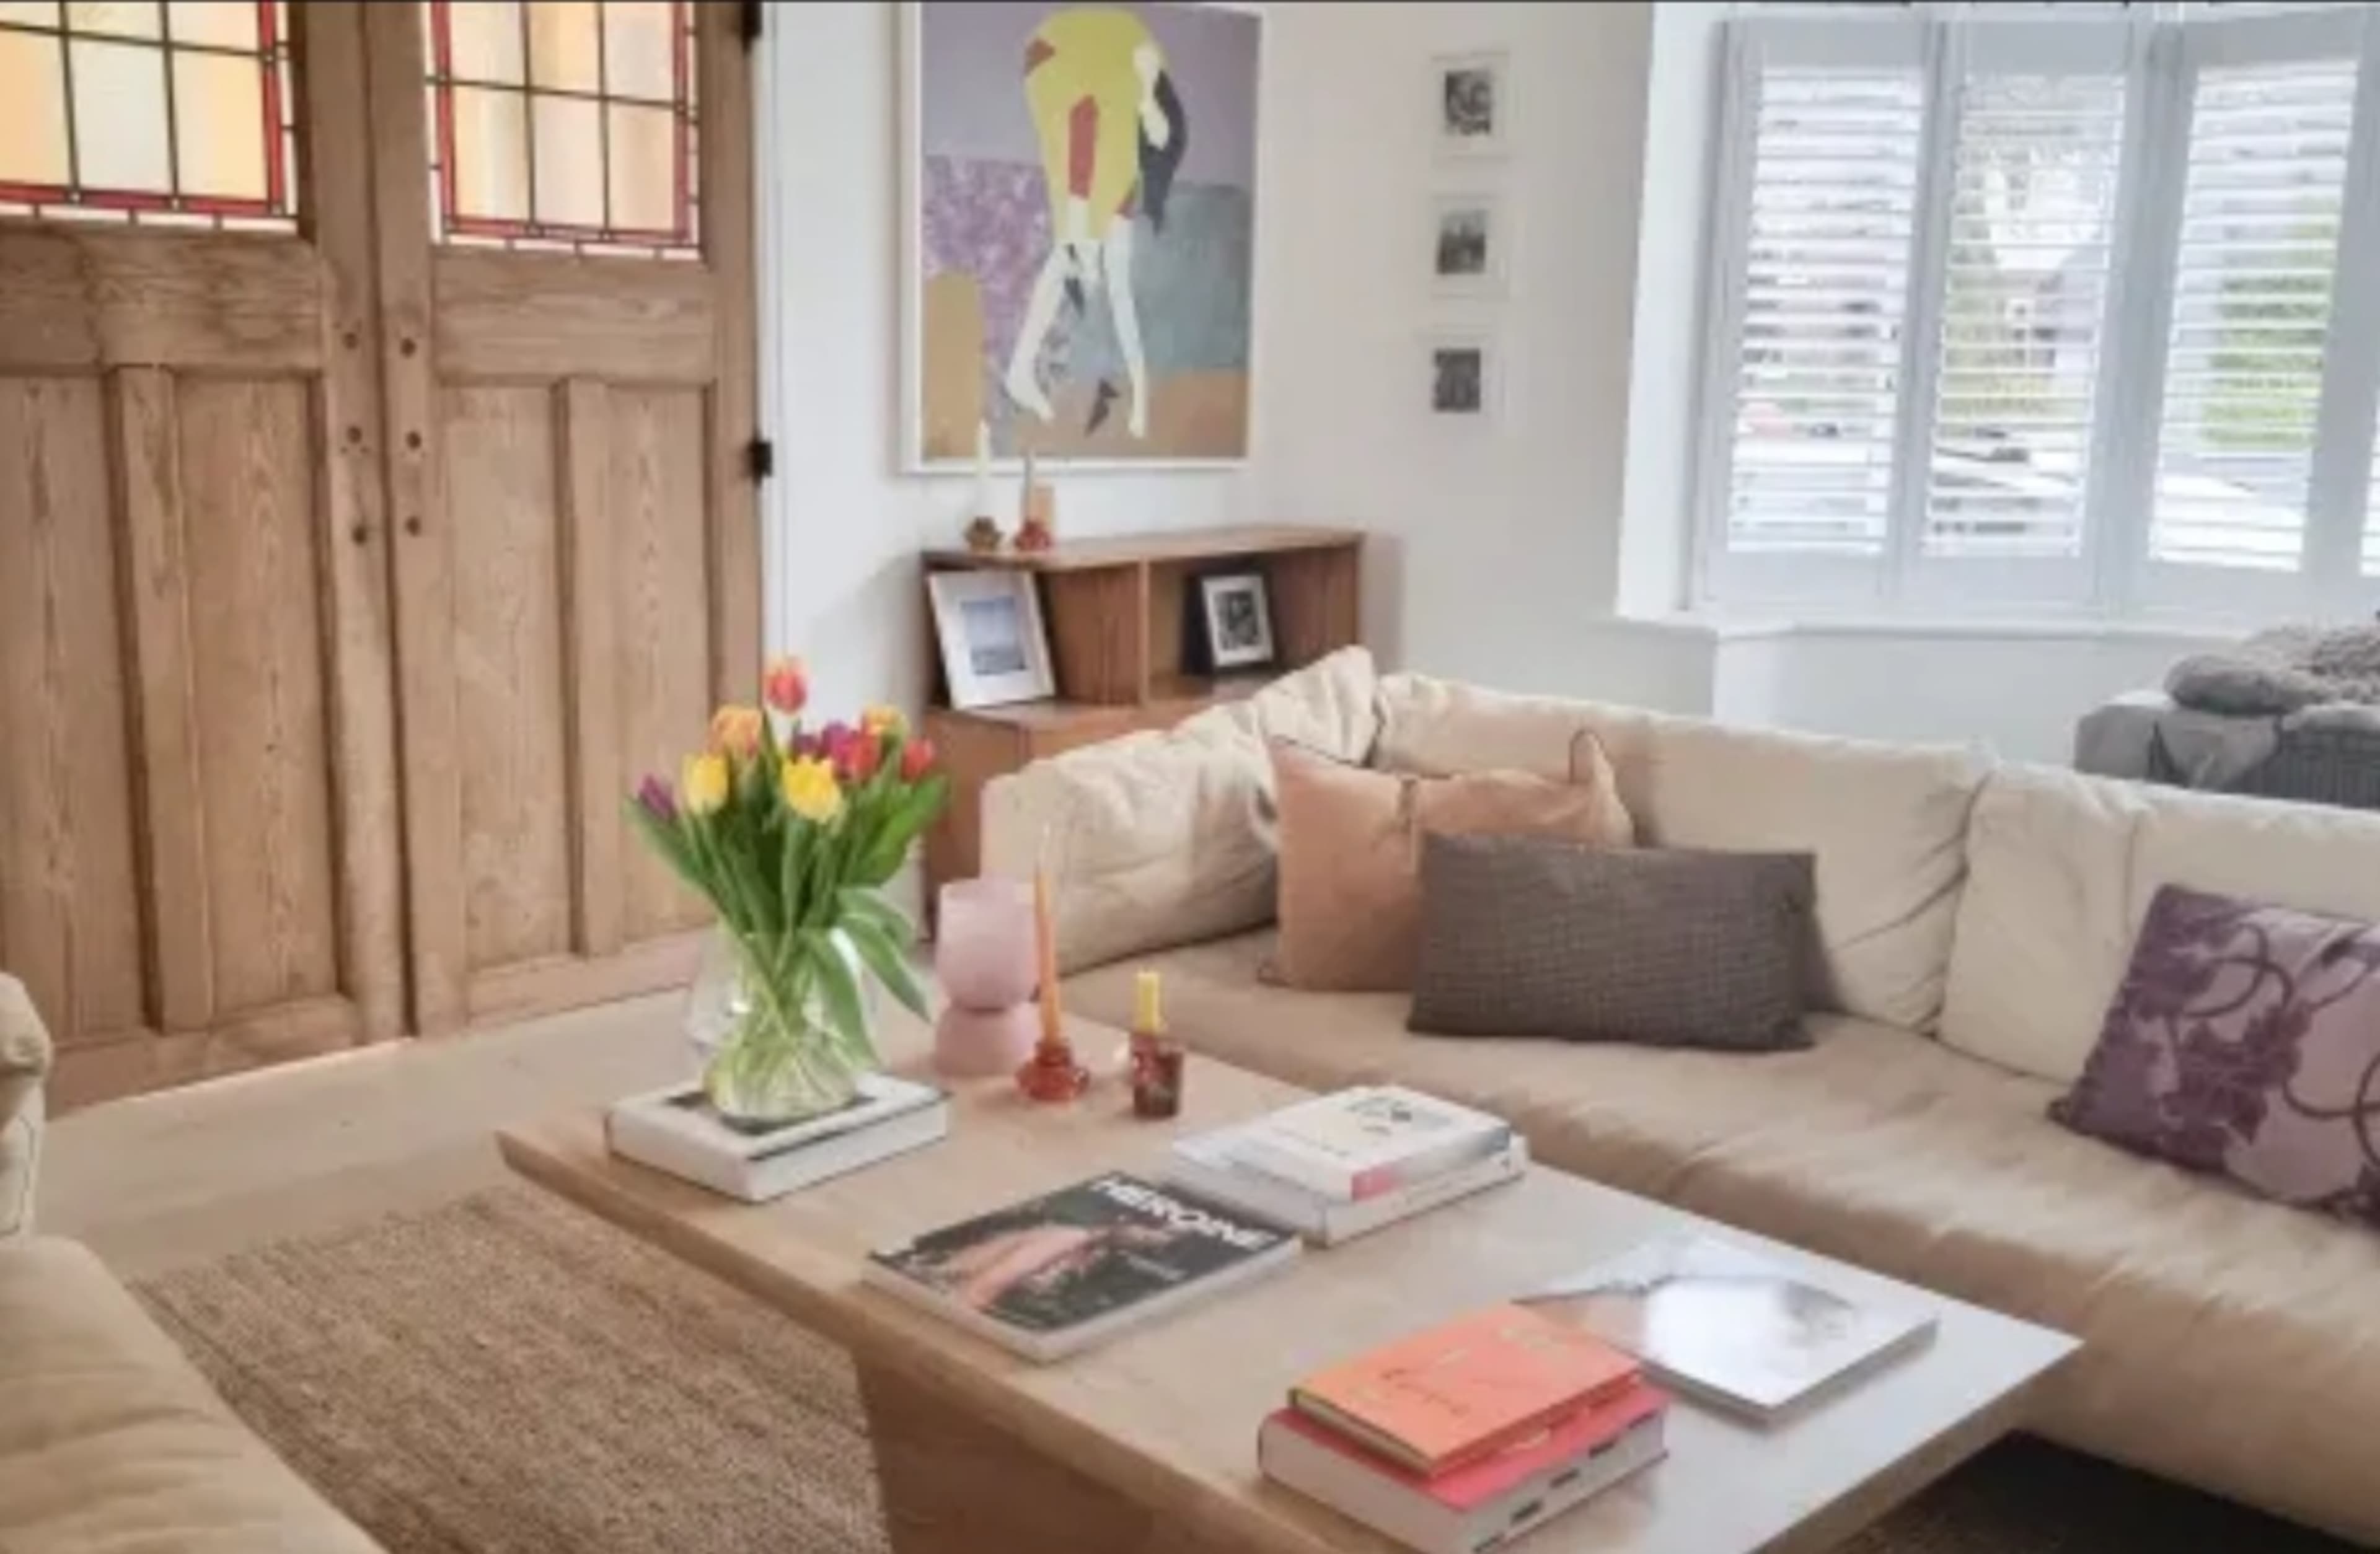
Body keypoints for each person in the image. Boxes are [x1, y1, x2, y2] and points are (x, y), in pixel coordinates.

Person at [1005, 7, 1189, 442]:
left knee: (1107, 274)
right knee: (1074, 247)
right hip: (1056, 55)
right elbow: (1082, 140)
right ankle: (1020, 369)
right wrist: (1079, 239)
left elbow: (1160, 137)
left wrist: (1142, 404)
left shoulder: (1129, 157)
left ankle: (1025, 370)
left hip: (1100, 93)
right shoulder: (1124, 82)